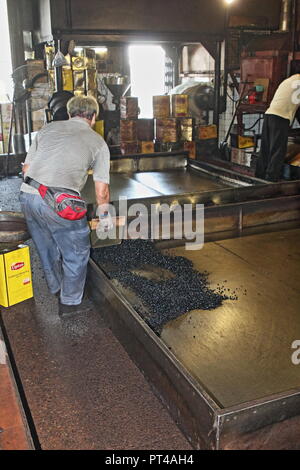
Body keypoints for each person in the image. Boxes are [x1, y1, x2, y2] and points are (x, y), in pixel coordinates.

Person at [20, 95, 113, 316]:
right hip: (60, 203)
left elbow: (26, 170)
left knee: (45, 246)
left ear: (70, 114)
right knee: (76, 251)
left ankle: (55, 288)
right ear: (93, 117)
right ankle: (70, 304)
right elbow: (102, 192)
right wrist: (105, 216)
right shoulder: (98, 142)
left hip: (28, 195)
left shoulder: (46, 130)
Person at [255, 73, 300, 182]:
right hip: (281, 117)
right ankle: (271, 178)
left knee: (266, 147)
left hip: (269, 114)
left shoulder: (289, 80)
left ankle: (259, 176)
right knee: (278, 149)